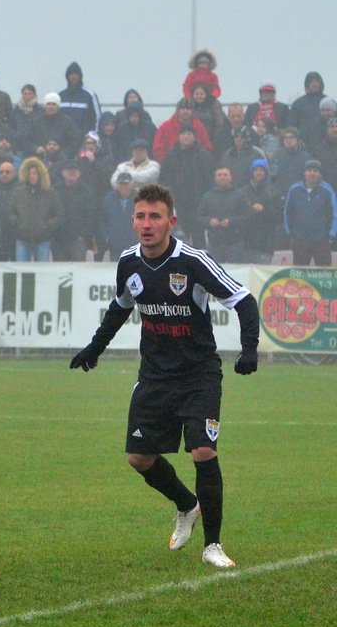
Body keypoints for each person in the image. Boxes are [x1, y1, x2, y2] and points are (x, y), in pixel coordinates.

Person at [71, 183, 258, 570]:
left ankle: (213, 546)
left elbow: (244, 300)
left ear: (171, 221)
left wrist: (249, 348)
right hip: (155, 377)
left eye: (155, 216)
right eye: (140, 216)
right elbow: (120, 308)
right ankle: (188, 506)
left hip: (198, 375)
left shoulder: (192, 261)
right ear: (133, 220)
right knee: (138, 458)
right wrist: (94, 349)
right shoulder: (129, 263)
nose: (147, 224)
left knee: (203, 450)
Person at [283, 160, 337, 266]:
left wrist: (331, 235)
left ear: (320, 174)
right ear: (304, 172)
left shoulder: (327, 190)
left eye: (315, 171)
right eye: (309, 170)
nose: (312, 173)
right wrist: (289, 233)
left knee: (324, 274)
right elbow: (287, 213)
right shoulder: (294, 190)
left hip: (322, 239)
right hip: (300, 239)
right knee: (300, 275)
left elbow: (335, 213)